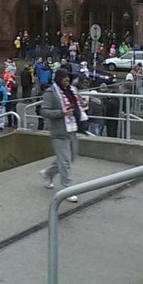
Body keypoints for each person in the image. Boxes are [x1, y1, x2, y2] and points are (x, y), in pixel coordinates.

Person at [39, 69, 88, 203]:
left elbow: (78, 104)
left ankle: (48, 173)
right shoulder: (50, 92)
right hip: (59, 131)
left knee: (70, 158)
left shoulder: (72, 90)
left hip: (72, 128)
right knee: (65, 161)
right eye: (64, 77)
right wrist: (61, 112)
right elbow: (44, 110)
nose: (67, 79)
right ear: (58, 78)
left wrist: (83, 104)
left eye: (68, 77)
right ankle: (67, 190)